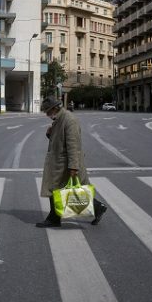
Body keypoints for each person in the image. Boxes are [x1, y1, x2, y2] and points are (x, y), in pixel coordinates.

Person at [36, 95, 107, 228]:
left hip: (65, 164)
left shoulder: (69, 120)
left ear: (55, 108)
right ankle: (97, 208)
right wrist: (49, 134)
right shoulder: (59, 118)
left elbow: (73, 145)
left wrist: (73, 167)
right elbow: (59, 140)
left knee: (66, 191)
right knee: (64, 191)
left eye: (48, 112)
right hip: (60, 163)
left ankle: (54, 218)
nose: (47, 115)